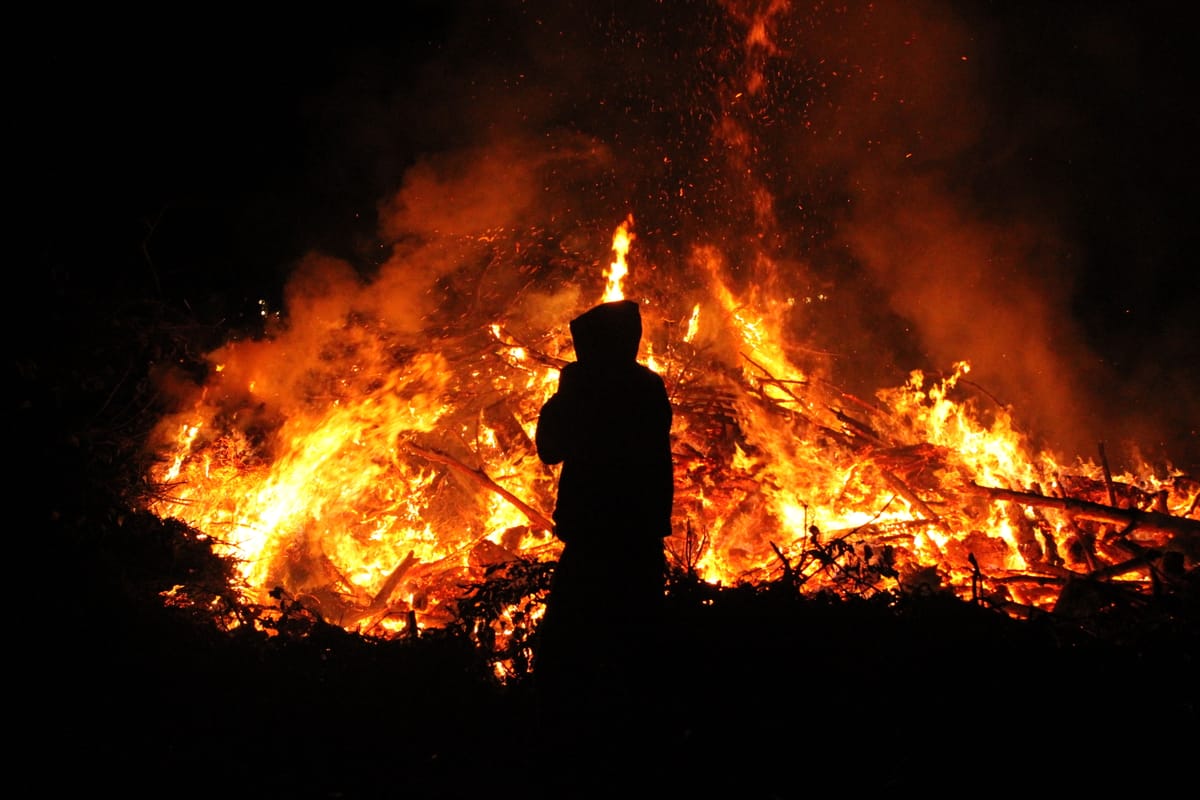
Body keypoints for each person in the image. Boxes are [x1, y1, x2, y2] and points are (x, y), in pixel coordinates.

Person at [533, 298, 674, 785]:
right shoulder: (649, 384)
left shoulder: (587, 386)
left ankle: (565, 753)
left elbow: (550, 447)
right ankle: (641, 749)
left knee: (565, 650)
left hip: (596, 539)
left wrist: (565, 391)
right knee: (640, 645)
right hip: (641, 537)